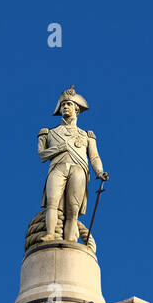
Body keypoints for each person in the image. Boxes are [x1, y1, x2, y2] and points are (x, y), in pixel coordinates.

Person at [37, 87, 109, 244]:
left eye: (68, 104)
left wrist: (99, 172)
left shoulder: (86, 135)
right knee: (52, 203)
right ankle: (50, 233)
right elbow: (42, 155)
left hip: (78, 169)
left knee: (73, 209)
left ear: (76, 109)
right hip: (58, 167)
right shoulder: (49, 133)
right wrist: (59, 148)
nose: (65, 107)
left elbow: (94, 157)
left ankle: (70, 240)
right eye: (63, 104)